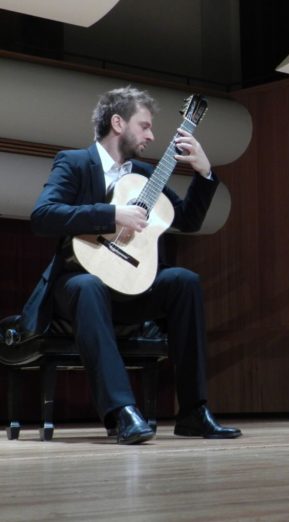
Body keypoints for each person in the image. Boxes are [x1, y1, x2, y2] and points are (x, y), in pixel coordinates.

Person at [19, 86, 241, 444]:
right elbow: (43, 216)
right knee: (88, 287)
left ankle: (194, 412)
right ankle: (121, 412)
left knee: (184, 281)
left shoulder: (143, 172)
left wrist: (204, 173)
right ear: (118, 123)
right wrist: (111, 214)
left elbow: (186, 219)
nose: (152, 136)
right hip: (78, 282)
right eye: (145, 126)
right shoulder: (74, 162)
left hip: (131, 285)